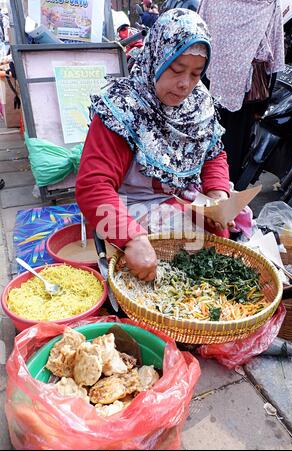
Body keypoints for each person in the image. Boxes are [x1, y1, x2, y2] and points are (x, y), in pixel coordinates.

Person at [76, 9, 231, 282]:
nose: (185, 84)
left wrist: (217, 194)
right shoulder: (123, 107)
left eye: (196, 74)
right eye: (176, 69)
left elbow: (213, 152)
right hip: (124, 205)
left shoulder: (198, 103)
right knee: (147, 271)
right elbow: (93, 186)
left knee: (221, 233)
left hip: (175, 200)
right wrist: (131, 237)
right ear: (157, 57)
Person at [197, 0, 285, 184]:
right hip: (246, 90)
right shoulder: (268, 4)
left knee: (203, 134)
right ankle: (227, 192)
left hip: (209, 79)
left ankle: (198, 185)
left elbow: (198, 34)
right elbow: (274, 59)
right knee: (234, 146)